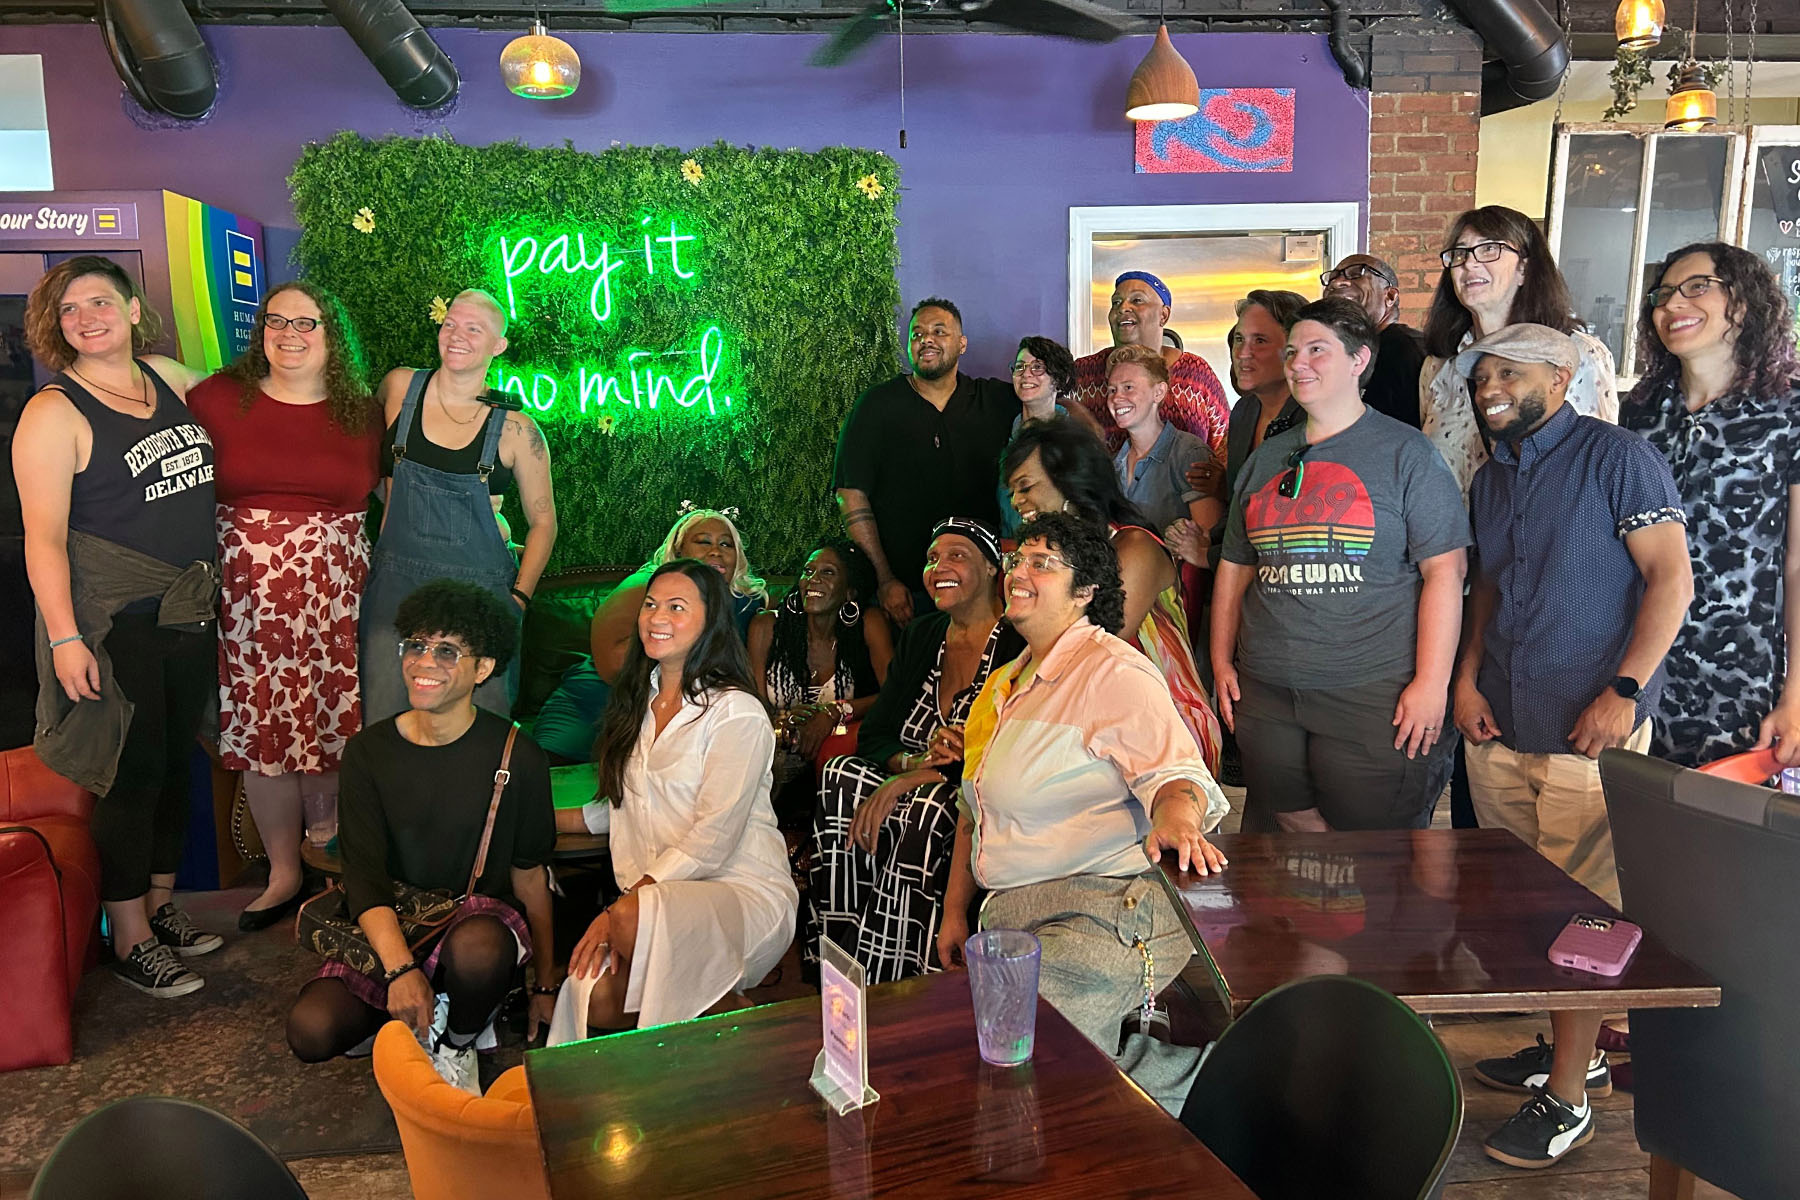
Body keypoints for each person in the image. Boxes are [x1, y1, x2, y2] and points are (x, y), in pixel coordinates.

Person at [1448, 324, 1693, 1171]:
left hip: (1589, 733)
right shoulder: (1492, 475)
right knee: (1523, 913)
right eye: (1482, 377)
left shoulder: (1618, 457)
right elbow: (1487, 587)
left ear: (1559, 377)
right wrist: (1466, 678)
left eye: (1509, 373)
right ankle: (1571, 1049)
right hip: (1501, 725)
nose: (1489, 389)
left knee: (1581, 921)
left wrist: (1624, 693)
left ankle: (1570, 1100)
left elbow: (1672, 578)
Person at [936, 512, 1228, 1114]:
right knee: (1012, 1057)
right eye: (1018, 560)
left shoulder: (1110, 671)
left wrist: (1177, 815)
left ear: (1087, 591)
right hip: (1014, 919)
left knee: (1028, 1057)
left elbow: (1176, 774)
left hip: (1105, 911)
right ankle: (1209, 1083)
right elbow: (977, 811)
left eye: (1043, 564)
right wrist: (954, 913)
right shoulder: (1005, 685)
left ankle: (1227, 1087)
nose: (1019, 573)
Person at [16, 255, 221, 998]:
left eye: (101, 302)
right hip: (114, 624)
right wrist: (66, 638)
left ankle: (160, 908)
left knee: (173, 764)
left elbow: (260, 413)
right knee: (128, 778)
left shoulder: (168, 377)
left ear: (134, 310)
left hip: (188, 610)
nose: (86, 318)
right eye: (70, 310)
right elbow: (43, 540)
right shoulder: (54, 412)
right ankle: (129, 936)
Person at [285, 581, 557, 1092]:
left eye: (447, 651)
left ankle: (456, 1040)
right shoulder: (368, 753)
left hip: (475, 933)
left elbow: (530, 878)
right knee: (311, 1031)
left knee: (478, 949)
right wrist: (400, 970)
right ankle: (413, 1013)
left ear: (483, 668)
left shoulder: (517, 754)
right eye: (416, 645)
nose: (423, 662)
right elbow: (363, 876)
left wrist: (545, 983)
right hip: (397, 927)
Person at [1213, 298, 1469, 832]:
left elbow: (1445, 572)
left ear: (1358, 360)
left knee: (1372, 855)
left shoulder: (1408, 454)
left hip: (1373, 692)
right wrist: (1220, 663)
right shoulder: (1266, 459)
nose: (1297, 363)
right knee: (1283, 835)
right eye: (1292, 352)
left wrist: (1431, 682)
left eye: (1316, 350)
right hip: (1269, 688)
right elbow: (1235, 568)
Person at [186, 282, 382, 931]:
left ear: (333, 335)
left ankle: (328, 854)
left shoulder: (362, 411)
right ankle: (281, 872)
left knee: (333, 724)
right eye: (277, 321)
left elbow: (384, 496)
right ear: (260, 329)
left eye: (307, 322)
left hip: (337, 596)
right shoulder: (215, 399)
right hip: (249, 602)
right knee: (263, 730)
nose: (290, 334)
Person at [553, 560, 797, 1034]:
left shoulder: (736, 713)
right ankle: (722, 1032)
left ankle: (762, 1045)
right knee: (593, 999)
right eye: (650, 605)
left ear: (711, 622)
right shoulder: (637, 702)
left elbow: (712, 840)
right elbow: (622, 809)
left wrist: (616, 913)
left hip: (741, 895)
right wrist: (530, 816)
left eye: (677, 607)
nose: (656, 617)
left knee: (630, 921)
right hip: (654, 903)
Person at [811, 518, 1022, 983]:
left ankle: (909, 967)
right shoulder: (924, 635)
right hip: (911, 774)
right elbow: (877, 733)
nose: (938, 567)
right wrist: (909, 763)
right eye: (931, 559)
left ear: (992, 569)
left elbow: (1011, 754)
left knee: (928, 805)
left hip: (973, 789)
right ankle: (845, 950)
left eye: (957, 556)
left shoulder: (1017, 641)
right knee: (841, 774)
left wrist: (918, 778)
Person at [1621, 241, 1800, 768]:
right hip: (1639, 662)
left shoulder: (1789, 411)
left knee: (1717, 838)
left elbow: (1798, 563)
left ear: (1743, 305)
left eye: (1698, 287)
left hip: (1738, 676)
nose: (1673, 304)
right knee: (1624, 832)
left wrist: (1797, 695)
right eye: (1664, 293)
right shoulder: (1642, 412)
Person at [360, 289, 558, 723]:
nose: (457, 335)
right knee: (385, 722)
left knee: (478, 731)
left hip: (480, 598)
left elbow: (544, 523)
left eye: (475, 328)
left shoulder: (516, 429)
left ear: (498, 345)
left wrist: (518, 600)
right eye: (450, 323)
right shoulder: (399, 388)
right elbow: (361, 457)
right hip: (395, 586)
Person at [1003, 421, 1225, 788]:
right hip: (1083, 717)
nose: (1015, 502)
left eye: (1025, 487)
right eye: (1011, 491)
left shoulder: (1134, 548)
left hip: (1166, 724)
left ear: (1071, 481)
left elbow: (1094, 652)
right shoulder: (1049, 562)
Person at [534, 505, 768, 764]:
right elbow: (611, 664)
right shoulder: (647, 586)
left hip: (676, 720)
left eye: (727, 545)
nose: (715, 551)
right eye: (703, 542)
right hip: (594, 707)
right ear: (679, 551)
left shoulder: (747, 603)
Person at [834, 298, 1016, 626]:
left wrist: (1082, 419)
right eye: (916, 334)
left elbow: (1048, 406)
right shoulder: (877, 406)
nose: (926, 339)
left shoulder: (995, 400)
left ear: (962, 344)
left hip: (984, 591)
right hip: (904, 594)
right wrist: (885, 579)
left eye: (938, 331)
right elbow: (850, 494)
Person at [1421, 206, 1618, 498]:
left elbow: (1601, 470)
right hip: (1453, 542)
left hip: (1537, 541)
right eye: (1460, 253)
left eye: (1489, 249)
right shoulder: (1439, 366)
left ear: (1524, 268)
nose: (1469, 264)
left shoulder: (1579, 355)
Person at [749, 539, 893, 818]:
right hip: (775, 750)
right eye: (808, 570)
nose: (812, 580)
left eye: (828, 572)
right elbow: (754, 704)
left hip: (840, 748)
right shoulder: (767, 627)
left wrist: (833, 712)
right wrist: (784, 722)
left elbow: (894, 695)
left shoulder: (868, 624)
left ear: (849, 591)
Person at [1170, 290, 1307, 571]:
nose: (1243, 353)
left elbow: (1291, 531)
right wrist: (1205, 538)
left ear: (1294, 349)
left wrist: (1207, 555)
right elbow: (1239, 510)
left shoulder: (1312, 419)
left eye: (1260, 341)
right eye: (1239, 339)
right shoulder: (1245, 411)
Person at [1072, 271, 1229, 466]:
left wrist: (1216, 480)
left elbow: (1225, 446)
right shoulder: (1083, 373)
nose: (1123, 308)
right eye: (1116, 302)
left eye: (1137, 300)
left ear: (1163, 315)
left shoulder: (1196, 374)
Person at [997, 336, 1105, 536]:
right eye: (1020, 367)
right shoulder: (1000, 432)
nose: (1026, 374)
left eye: (1038, 367)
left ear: (1060, 380)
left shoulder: (1076, 439)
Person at [1107, 343, 1219, 535]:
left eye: (1128, 387)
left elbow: (1208, 540)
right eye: (1112, 390)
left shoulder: (1189, 453)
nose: (1117, 397)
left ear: (1158, 392)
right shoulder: (1112, 464)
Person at [1322, 254, 1427, 428]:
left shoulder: (1407, 350)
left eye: (1356, 273)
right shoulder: (1342, 352)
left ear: (1390, 296)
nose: (1337, 282)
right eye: (1331, 278)